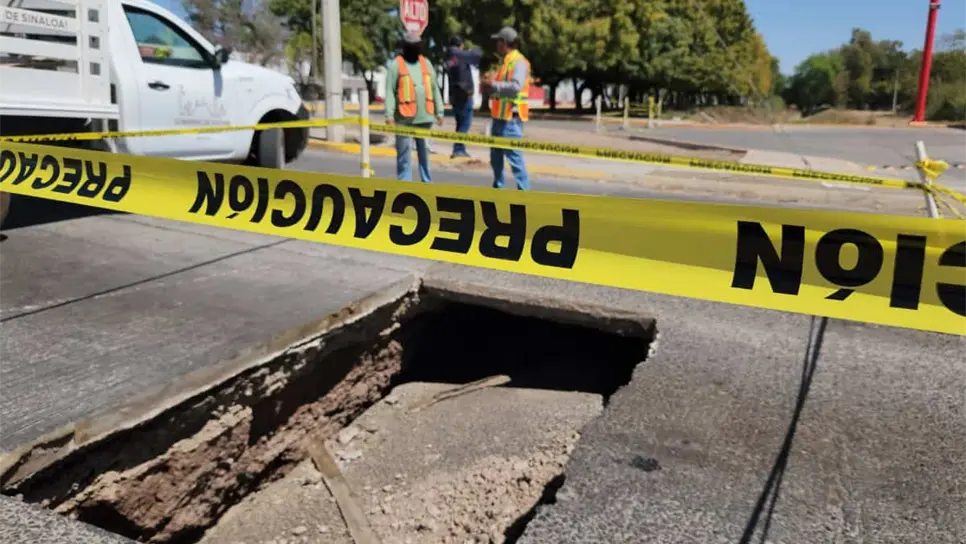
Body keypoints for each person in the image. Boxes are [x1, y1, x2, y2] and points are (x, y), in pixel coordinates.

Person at [384, 32, 444, 182]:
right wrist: (389, 115)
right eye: (412, 46)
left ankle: (426, 182)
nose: (415, 49)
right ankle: (404, 184)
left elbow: (435, 88)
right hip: (404, 118)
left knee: (425, 154)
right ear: (405, 47)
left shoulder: (426, 63)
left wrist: (440, 111)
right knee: (404, 155)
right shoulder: (396, 65)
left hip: (425, 117)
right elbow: (390, 91)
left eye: (417, 46)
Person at [480, 26, 531, 191]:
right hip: (499, 118)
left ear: (504, 43)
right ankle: (498, 188)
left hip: (511, 120)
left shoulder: (519, 62)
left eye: (498, 42)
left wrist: (493, 85)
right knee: (495, 158)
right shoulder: (506, 62)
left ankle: (525, 193)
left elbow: (515, 87)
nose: (496, 45)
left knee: (515, 159)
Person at [445, 36, 482, 159]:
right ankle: (458, 149)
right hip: (464, 94)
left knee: (460, 123)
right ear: (460, 45)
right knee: (466, 123)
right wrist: (470, 51)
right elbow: (478, 54)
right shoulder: (460, 55)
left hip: (455, 94)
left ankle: (459, 148)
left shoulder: (449, 57)